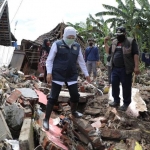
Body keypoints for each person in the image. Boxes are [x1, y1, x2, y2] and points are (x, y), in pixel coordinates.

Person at [43, 26, 91, 131]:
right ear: (64, 36)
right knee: (53, 97)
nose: (71, 38)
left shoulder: (77, 46)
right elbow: (49, 60)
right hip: (58, 74)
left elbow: (81, 62)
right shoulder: (57, 44)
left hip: (71, 74)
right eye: (69, 36)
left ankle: (73, 111)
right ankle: (46, 119)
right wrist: (49, 73)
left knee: (75, 95)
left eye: (73, 37)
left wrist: (86, 74)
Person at [106, 26, 140, 111]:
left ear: (125, 34)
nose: (118, 36)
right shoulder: (114, 42)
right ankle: (116, 100)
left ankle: (126, 103)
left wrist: (136, 67)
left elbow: (135, 54)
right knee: (114, 84)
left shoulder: (130, 41)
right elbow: (108, 52)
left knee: (126, 86)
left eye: (120, 34)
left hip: (125, 68)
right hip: (115, 68)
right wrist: (105, 42)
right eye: (117, 34)